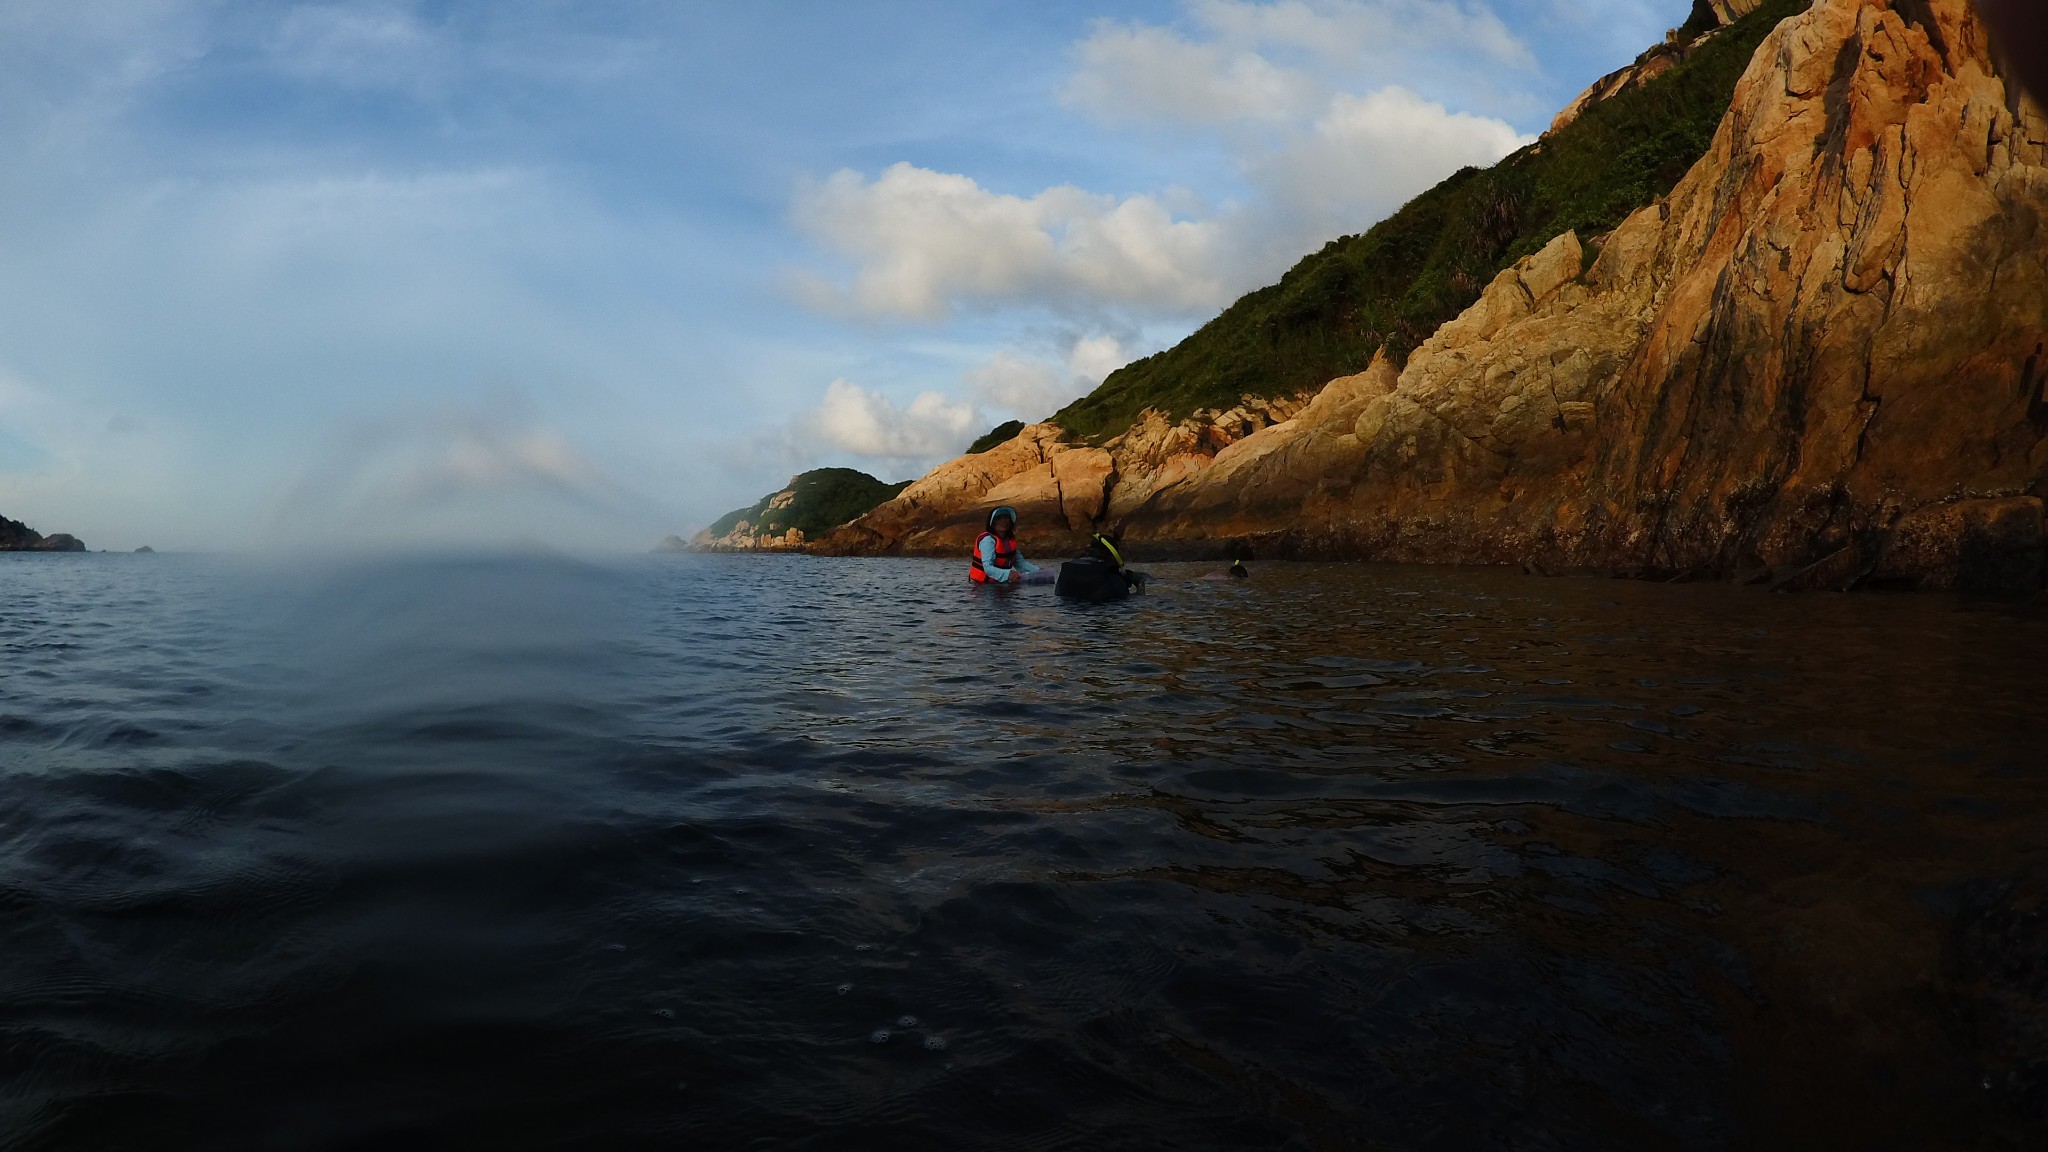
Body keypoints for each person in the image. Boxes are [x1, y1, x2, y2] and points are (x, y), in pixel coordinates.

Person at [1055, 520, 1145, 601]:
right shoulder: (1112, 578)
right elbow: (1126, 599)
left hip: (1067, 609)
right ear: (1113, 557)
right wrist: (1140, 586)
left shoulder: (1068, 569)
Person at [969, 505, 1041, 585]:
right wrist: (1008, 574)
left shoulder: (1009, 540)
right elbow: (988, 568)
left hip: (1000, 584)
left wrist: (1038, 571)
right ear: (992, 523)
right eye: (999, 518)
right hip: (982, 587)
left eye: (1006, 518)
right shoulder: (988, 541)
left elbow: (1019, 562)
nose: (1003, 521)